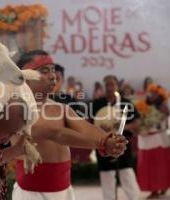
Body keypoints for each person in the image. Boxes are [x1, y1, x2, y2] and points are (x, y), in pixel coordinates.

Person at [12, 50, 127, 200]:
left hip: (64, 190)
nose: (53, 76)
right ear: (26, 77)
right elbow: (56, 133)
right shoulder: (16, 109)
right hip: (31, 193)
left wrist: (109, 139)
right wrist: (103, 143)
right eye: (44, 71)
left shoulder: (61, 108)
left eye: (53, 70)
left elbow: (86, 128)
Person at [89, 75, 140, 200]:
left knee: (127, 173)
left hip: (122, 143)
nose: (110, 88)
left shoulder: (126, 104)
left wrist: (122, 127)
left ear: (117, 86)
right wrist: (100, 129)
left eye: (112, 84)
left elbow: (137, 124)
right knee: (107, 175)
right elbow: (87, 123)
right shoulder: (96, 104)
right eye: (107, 85)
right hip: (103, 143)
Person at [137, 83, 170, 199]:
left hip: (159, 139)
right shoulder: (143, 105)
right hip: (146, 139)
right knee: (147, 165)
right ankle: (153, 189)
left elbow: (165, 122)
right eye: (151, 92)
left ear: (159, 94)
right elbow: (139, 119)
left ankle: (163, 186)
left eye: (155, 93)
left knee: (160, 166)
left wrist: (156, 122)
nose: (152, 95)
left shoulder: (163, 106)